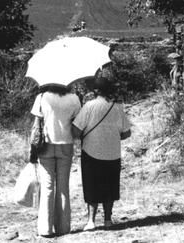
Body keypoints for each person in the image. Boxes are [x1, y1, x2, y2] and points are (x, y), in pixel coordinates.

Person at [72, 72, 131, 230]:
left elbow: (76, 131)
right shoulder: (117, 107)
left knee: (92, 186)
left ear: (96, 91)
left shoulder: (89, 106)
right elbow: (126, 133)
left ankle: (91, 221)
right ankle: (107, 219)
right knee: (110, 186)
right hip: (113, 152)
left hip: (91, 151)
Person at [30, 83, 82, 237]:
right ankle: (63, 227)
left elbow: (36, 124)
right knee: (63, 186)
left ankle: (45, 229)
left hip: (46, 144)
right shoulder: (74, 99)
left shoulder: (41, 97)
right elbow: (77, 122)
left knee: (47, 187)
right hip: (66, 143)